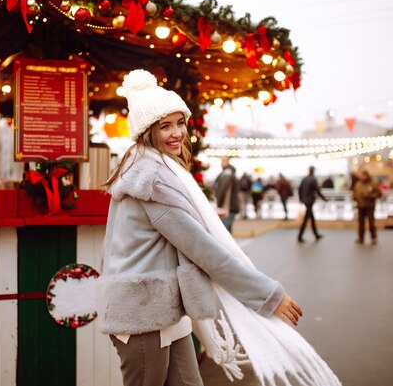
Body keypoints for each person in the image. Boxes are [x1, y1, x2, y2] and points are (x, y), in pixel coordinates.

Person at [98, 69, 306, 386]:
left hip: (163, 307)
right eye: (164, 126)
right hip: (143, 314)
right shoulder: (153, 180)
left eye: (180, 122)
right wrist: (268, 296)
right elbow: (205, 250)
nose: (177, 133)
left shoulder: (153, 169)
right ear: (145, 131)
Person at [297, 166, 327, 242]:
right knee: (306, 218)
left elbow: (299, 189)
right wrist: (323, 198)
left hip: (305, 200)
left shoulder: (304, 179)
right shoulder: (312, 179)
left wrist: (301, 198)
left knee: (311, 217)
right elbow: (317, 190)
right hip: (309, 201)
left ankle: (315, 234)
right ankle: (300, 236)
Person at [352, 170, 382, 244]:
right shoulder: (358, 184)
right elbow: (355, 193)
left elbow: (379, 193)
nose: (362, 177)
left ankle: (373, 238)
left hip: (369, 206)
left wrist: (370, 196)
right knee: (360, 223)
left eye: (364, 176)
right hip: (360, 206)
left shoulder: (373, 183)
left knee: (371, 222)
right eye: (362, 176)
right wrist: (355, 198)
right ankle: (360, 238)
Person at [213, 156, 240, 232]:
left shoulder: (227, 173)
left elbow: (223, 189)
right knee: (228, 230)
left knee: (225, 231)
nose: (222, 163)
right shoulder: (229, 172)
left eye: (224, 160)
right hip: (230, 206)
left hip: (227, 207)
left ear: (228, 161)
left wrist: (219, 204)